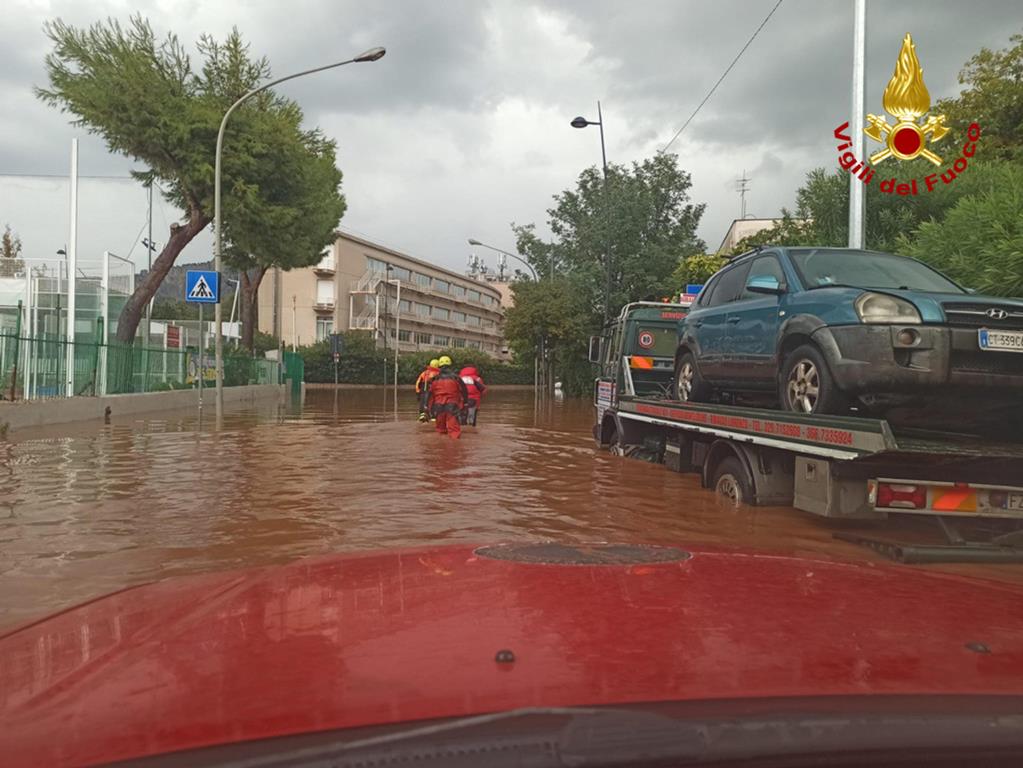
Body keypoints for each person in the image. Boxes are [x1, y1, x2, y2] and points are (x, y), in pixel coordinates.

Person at [427, 356, 469, 439]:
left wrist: (427, 407)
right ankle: (454, 448)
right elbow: (464, 391)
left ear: (439, 366)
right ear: (450, 366)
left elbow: (429, 394)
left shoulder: (434, 379)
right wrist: (465, 403)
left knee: (440, 431)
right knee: (454, 432)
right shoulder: (456, 378)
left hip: (438, 406)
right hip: (452, 406)